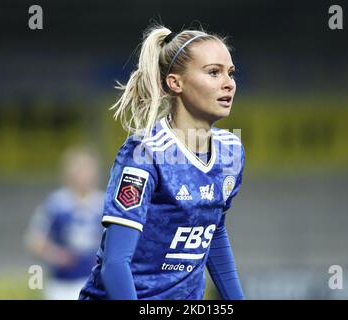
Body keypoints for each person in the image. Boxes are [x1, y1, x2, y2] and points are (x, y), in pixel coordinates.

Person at [79, 24, 245, 300]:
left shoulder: (231, 151)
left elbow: (212, 233)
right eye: (214, 72)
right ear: (175, 82)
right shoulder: (145, 153)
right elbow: (115, 265)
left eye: (231, 73)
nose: (228, 83)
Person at [25, 146, 105, 300]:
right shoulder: (55, 204)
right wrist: (56, 254)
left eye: (87, 168)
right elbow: (34, 240)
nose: (82, 174)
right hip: (61, 285)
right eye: (78, 168)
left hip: (94, 282)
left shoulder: (104, 203)